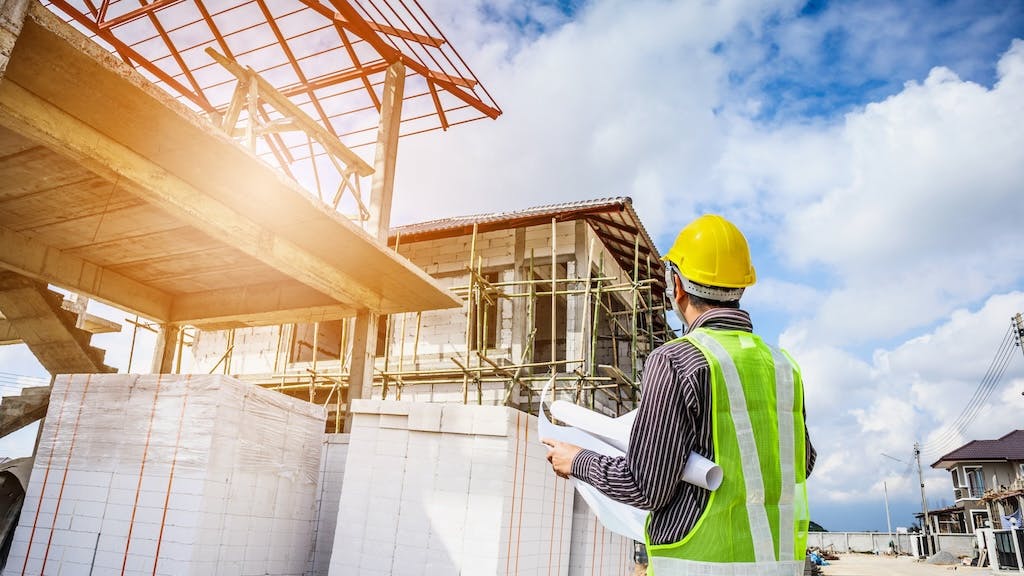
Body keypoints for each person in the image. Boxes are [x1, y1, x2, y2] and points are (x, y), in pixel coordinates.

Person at [543, 214, 816, 575]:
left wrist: (577, 460)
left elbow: (646, 487)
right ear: (742, 286)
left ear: (677, 285)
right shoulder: (784, 368)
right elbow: (803, 463)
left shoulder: (675, 360)